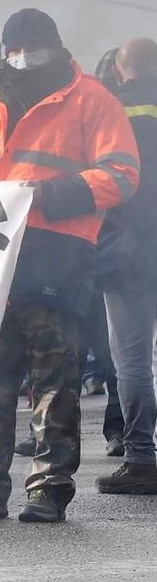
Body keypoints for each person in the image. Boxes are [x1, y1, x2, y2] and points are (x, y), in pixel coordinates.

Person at [0, 9, 139, 523]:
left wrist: (50, 194)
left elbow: (122, 175)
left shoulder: (93, 101)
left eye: (33, 48)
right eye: (17, 49)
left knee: (54, 378)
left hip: (57, 258)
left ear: (55, 46)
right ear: (5, 52)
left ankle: (48, 488)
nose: (25, 58)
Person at [96, 37, 157, 494]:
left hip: (128, 252)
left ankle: (140, 459)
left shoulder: (110, 110)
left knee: (132, 360)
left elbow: (98, 183)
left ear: (120, 71)